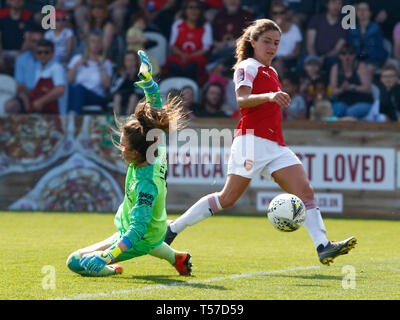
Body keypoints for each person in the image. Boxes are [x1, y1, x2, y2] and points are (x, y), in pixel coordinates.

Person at [164, 19, 357, 266]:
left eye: (276, 43)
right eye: (267, 41)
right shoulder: (248, 66)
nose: (272, 47)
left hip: (275, 145)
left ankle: (323, 246)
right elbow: (242, 99)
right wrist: (270, 96)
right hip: (251, 142)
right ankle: (174, 228)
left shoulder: (272, 71)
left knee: (305, 191)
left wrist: (272, 96)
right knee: (227, 198)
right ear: (253, 42)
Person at [66, 50, 193, 277]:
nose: (120, 149)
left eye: (124, 146)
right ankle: (178, 258)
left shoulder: (146, 185)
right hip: (154, 228)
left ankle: (112, 271)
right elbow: (155, 108)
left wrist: (108, 255)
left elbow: (137, 230)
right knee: (152, 233)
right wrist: (149, 84)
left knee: (75, 262)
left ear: (136, 151)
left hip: (140, 237)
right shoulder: (155, 145)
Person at [5, 39, 67, 114]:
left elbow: (60, 90)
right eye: (39, 52)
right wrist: (25, 93)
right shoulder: (40, 69)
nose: (42, 55)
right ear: (36, 54)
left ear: (52, 54)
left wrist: (41, 101)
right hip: (41, 111)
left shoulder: (56, 68)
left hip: (54, 113)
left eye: (46, 52)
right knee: (11, 106)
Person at [164, 0, 213, 85]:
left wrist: (189, 56)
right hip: (179, 55)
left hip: (197, 57)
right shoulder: (178, 24)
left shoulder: (205, 25)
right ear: (185, 10)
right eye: (190, 7)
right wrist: (182, 55)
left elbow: (206, 48)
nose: (193, 11)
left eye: (196, 8)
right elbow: (173, 45)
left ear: (200, 11)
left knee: (192, 66)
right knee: (173, 65)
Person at [67, 31, 113, 114]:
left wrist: (102, 66)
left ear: (102, 44)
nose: (96, 44)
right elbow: (68, 80)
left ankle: (73, 117)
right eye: (93, 41)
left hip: (96, 96)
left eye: (98, 41)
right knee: (70, 89)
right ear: (88, 44)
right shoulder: (77, 59)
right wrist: (76, 66)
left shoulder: (106, 63)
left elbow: (106, 85)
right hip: (77, 94)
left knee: (78, 88)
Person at [329, 43, 374, 120]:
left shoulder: (361, 66)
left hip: (362, 101)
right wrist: (342, 89)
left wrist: (352, 87)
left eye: (351, 53)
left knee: (351, 112)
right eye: (343, 53)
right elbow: (333, 91)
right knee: (337, 109)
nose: (347, 57)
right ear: (339, 56)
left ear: (355, 55)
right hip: (342, 101)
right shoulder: (335, 68)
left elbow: (367, 89)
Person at [210, 0, 253, 72]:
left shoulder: (246, 15)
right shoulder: (218, 16)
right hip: (221, 54)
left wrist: (228, 44)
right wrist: (220, 45)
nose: (232, 1)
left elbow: (249, 38)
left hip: (240, 53)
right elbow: (213, 40)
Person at [347, 1, 388, 74]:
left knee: (365, 69)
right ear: (356, 13)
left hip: (372, 63)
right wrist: (358, 62)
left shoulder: (376, 29)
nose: (362, 12)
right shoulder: (352, 30)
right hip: (357, 62)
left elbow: (379, 51)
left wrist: (368, 63)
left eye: (365, 10)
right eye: (359, 9)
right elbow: (350, 50)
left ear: (370, 13)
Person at [306, 0, 347, 71]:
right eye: (333, 2)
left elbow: (337, 49)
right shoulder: (316, 19)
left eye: (339, 3)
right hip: (313, 55)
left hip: (331, 57)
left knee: (335, 62)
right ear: (327, 5)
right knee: (310, 64)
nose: (336, 6)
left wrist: (324, 57)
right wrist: (316, 58)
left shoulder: (344, 25)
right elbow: (310, 45)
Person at [269, 0, 302, 76]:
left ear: (286, 14)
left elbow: (296, 53)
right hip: (271, 59)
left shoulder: (295, 29)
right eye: (275, 13)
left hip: (289, 60)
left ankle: (282, 84)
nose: (278, 16)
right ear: (271, 15)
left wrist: (283, 58)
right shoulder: (267, 30)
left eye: (281, 13)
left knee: (277, 63)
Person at [0, 0, 34, 72]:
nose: (16, 1)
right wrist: (0, 56)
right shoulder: (1, 14)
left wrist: (20, 55)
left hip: (20, 52)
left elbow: (27, 39)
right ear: (8, 1)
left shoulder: (28, 15)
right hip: (3, 51)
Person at [111, 51, 144, 115]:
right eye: (128, 60)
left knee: (133, 97)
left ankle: (128, 119)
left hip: (137, 97)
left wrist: (134, 77)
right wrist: (122, 79)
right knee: (117, 97)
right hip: (122, 95)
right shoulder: (119, 74)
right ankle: (117, 118)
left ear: (136, 61)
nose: (130, 63)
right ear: (124, 62)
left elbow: (141, 91)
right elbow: (112, 90)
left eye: (132, 60)